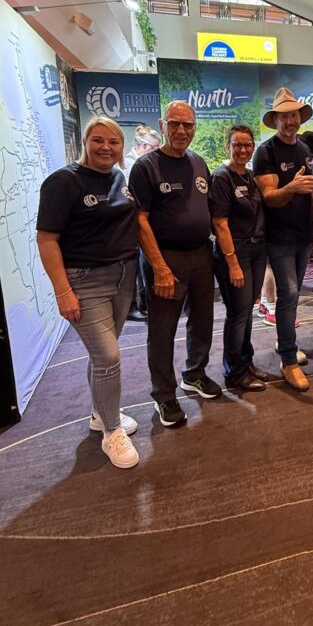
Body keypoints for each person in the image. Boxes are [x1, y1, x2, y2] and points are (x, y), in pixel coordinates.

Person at [36, 117, 140, 468]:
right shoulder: (63, 182)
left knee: (101, 357)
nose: (106, 148)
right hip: (85, 280)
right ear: (85, 141)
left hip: (123, 277)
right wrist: (63, 291)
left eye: (113, 142)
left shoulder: (118, 178)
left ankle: (99, 414)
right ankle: (112, 432)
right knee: (109, 357)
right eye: (98, 141)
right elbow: (47, 240)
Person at [129, 101, 221, 427]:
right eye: (175, 124)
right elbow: (140, 221)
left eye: (188, 125)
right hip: (164, 258)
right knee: (163, 330)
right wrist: (159, 267)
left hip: (200, 255)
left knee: (203, 321)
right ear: (162, 124)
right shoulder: (145, 167)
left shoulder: (198, 162)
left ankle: (194, 374)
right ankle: (164, 396)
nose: (182, 131)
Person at [253, 87, 313, 392]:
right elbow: (269, 198)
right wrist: (291, 188)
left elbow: (309, 195)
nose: (290, 121)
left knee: (294, 296)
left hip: (304, 236)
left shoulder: (304, 149)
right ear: (275, 120)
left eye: (294, 115)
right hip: (278, 238)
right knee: (289, 294)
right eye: (285, 116)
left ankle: (286, 343)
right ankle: (289, 360)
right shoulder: (265, 152)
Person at [211, 124, 267, 391]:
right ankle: (234, 372)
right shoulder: (222, 178)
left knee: (247, 311)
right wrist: (232, 262)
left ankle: (246, 363)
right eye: (237, 144)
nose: (243, 149)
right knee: (237, 314)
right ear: (228, 146)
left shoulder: (251, 176)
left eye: (247, 145)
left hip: (257, 251)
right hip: (235, 252)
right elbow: (220, 223)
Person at [124, 124, 161, 322]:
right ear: (143, 146)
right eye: (153, 148)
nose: (156, 152)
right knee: (137, 265)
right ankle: (134, 306)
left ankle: (143, 304)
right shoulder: (130, 166)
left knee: (140, 265)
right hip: (130, 224)